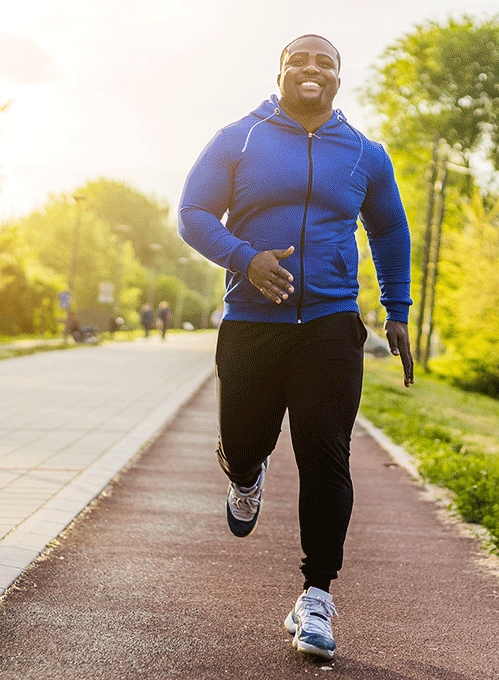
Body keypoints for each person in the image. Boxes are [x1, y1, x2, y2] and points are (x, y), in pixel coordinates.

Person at [178, 34, 414, 660]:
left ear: (339, 77)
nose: (312, 70)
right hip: (252, 323)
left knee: (326, 455)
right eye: (300, 61)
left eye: (325, 63)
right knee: (244, 439)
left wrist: (398, 311)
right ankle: (246, 475)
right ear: (280, 71)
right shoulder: (241, 138)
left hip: (332, 325)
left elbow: (390, 228)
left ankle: (316, 595)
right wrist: (244, 258)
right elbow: (193, 212)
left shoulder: (364, 153)